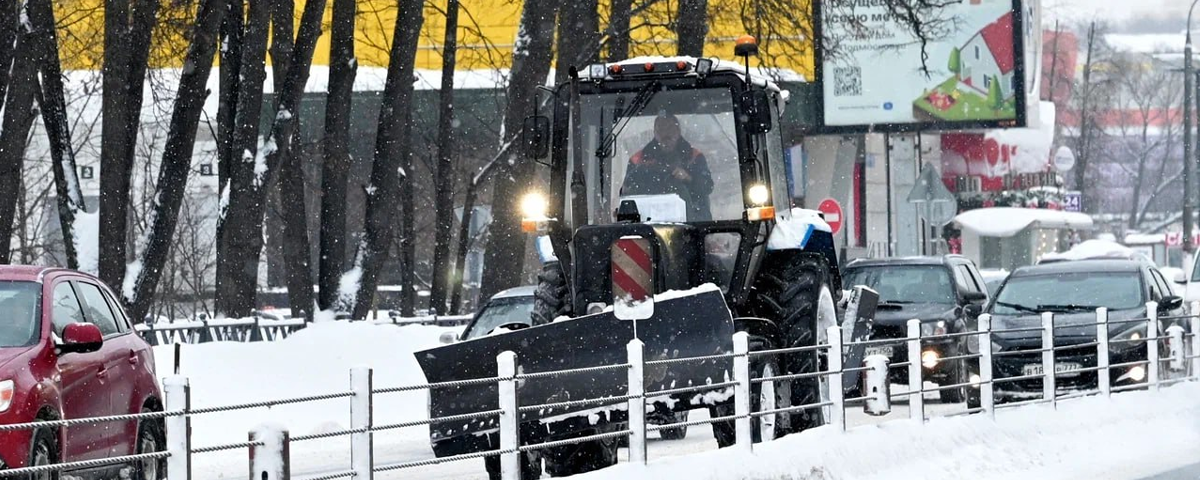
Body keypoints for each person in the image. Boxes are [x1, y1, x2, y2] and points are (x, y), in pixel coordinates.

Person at [620, 114, 714, 221]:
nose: (665, 133)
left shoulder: (694, 157)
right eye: (661, 129)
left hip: (693, 223)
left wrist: (688, 178)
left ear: (678, 131)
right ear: (654, 133)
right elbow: (626, 193)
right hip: (647, 224)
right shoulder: (638, 160)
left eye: (670, 128)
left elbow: (707, 187)